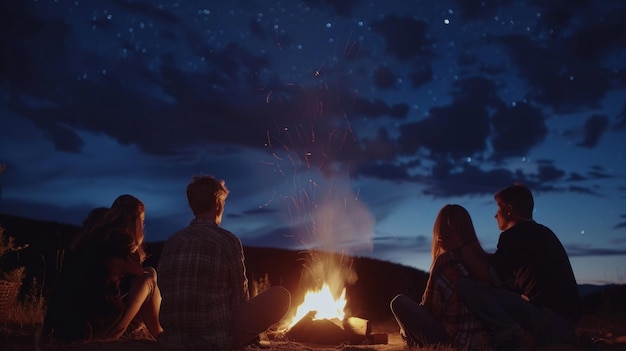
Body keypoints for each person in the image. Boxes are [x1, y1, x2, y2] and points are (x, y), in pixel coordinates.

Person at [157, 175, 291, 351]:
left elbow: (164, 288)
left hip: (174, 339)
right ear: (217, 203)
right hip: (214, 341)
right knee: (280, 296)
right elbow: (239, 299)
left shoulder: (172, 241)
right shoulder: (228, 241)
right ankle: (237, 342)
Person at [457, 183, 582, 349]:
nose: (495, 215)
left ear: (509, 209)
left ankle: (516, 337)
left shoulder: (514, 235)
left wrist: (461, 247)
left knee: (467, 286)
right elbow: (501, 270)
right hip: (568, 323)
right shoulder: (541, 232)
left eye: (498, 208)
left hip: (550, 321)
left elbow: (489, 277)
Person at [43, 195, 163, 343]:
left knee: (147, 275)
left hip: (60, 325)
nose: (143, 225)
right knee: (149, 279)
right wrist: (137, 239)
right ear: (134, 220)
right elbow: (139, 272)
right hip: (85, 330)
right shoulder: (117, 245)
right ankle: (160, 336)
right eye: (142, 220)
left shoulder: (93, 240)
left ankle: (157, 335)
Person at [390, 204, 492, 350]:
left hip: (452, 341)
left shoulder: (446, 261)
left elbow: (430, 308)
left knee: (398, 302)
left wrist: (407, 326)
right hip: (480, 340)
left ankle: (411, 341)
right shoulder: (482, 260)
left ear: (440, 232)